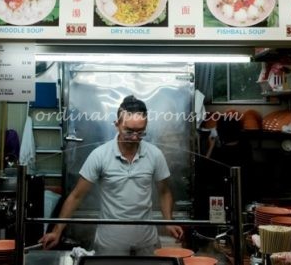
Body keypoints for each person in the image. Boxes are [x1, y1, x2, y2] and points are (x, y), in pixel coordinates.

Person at [40, 95, 184, 255]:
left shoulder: (155, 154)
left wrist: (168, 221)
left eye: (140, 132)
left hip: (146, 241)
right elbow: (76, 196)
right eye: (129, 131)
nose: (134, 138)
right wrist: (57, 231)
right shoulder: (100, 155)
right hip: (110, 243)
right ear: (117, 125)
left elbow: (164, 192)